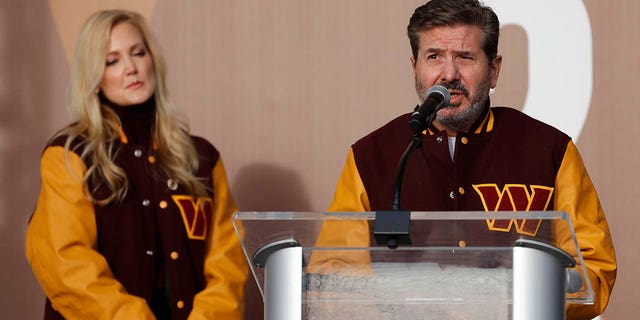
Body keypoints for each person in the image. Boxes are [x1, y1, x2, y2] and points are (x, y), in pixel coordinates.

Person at [310, 0, 616, 319]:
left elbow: (593, 269)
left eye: (465, 57)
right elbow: (334, 277)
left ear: (494, 70)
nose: (449, 74)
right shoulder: (372, 155)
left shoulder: (549, 149)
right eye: (434, 57)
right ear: (414, 66)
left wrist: (500, 304)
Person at [25, 10, 247, 320]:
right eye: (112, 61)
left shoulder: (202, 157)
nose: (131, 68)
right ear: (95, 77)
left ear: (152, 60)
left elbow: (227, 262)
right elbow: (65, 264)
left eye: (138, 53)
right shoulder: (69, 154)